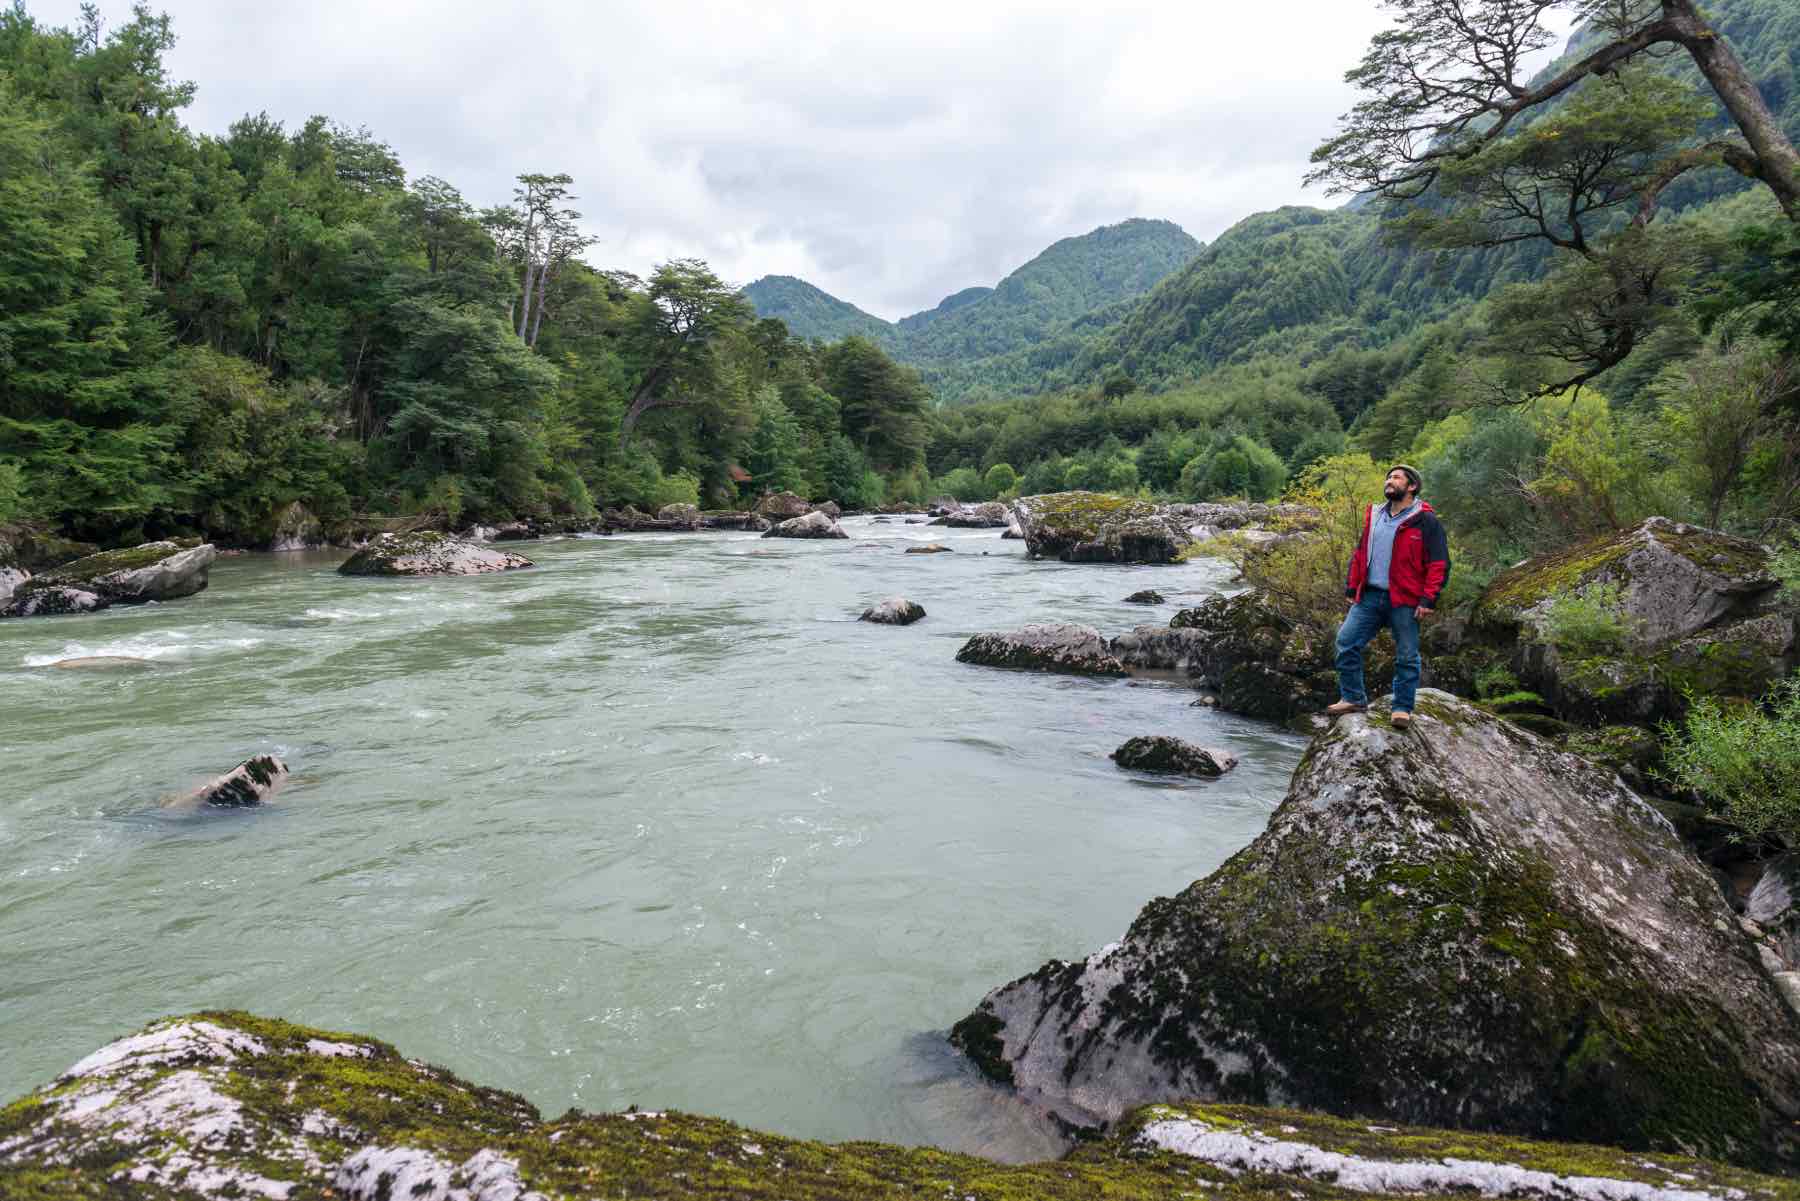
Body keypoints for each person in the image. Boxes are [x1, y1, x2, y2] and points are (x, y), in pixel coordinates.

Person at [1326, 464, 1450, 729]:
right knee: (1346, 642)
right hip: (1369, 595)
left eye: (1396, 478)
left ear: (1412, 486)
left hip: (1404, 599)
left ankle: (1402, 708)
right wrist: (1352, 585)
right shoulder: (1375, 515)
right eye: (1388, 477)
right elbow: (1361, 552)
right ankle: (1353, 698)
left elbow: (1439, 563)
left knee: (1406, 655)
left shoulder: (1425, 520)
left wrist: (1429, 599)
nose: (1389, 481)